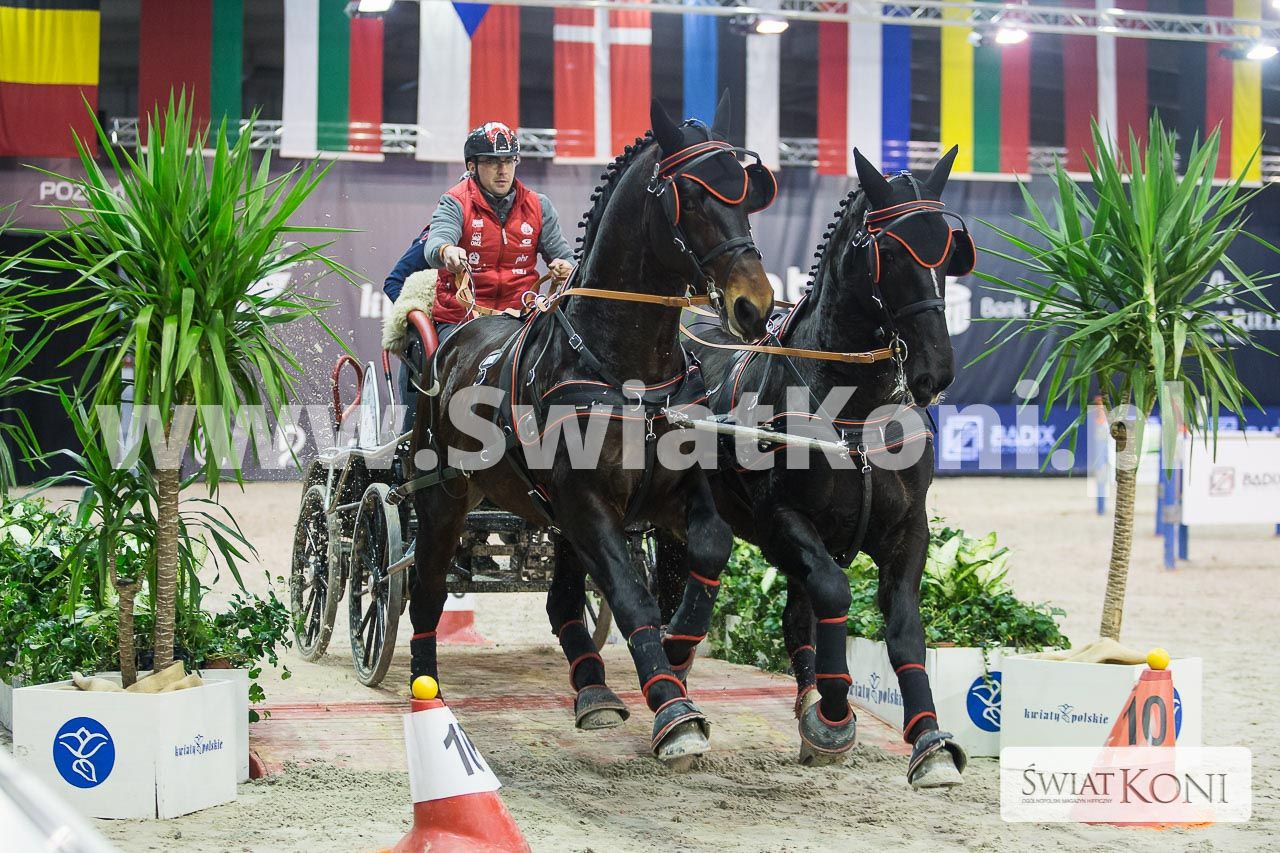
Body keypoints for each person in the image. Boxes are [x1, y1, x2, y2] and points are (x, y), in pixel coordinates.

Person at [384, 121, 575, 432]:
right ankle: (418, 435)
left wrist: (565, 266)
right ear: (471, 166)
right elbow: (435, 243)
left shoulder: (539, 206)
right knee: (434, 364)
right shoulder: (454, 201)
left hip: (522, 319)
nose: (502, 170)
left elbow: (564, 255)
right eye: (491, 161)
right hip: (462, 320)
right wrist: (447, 251)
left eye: (508, 160)